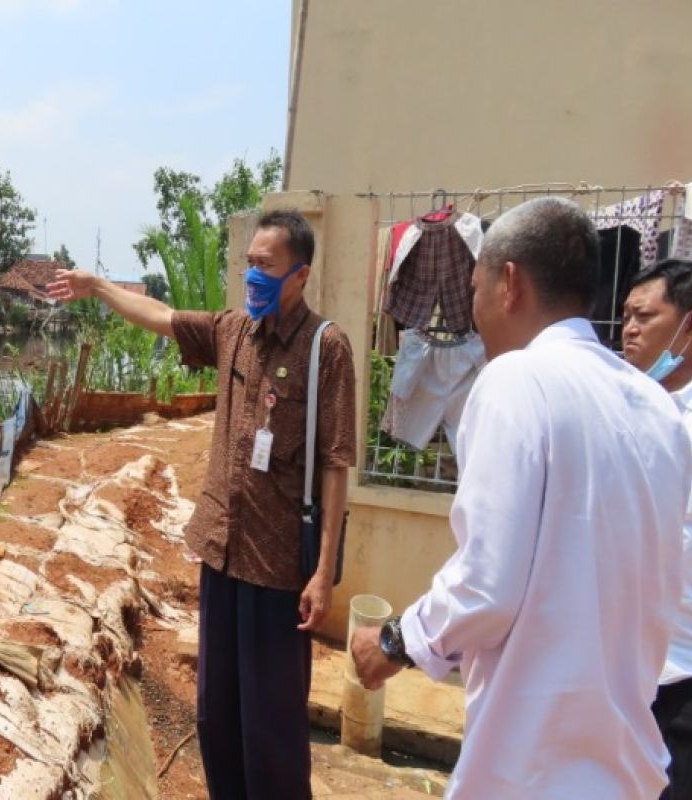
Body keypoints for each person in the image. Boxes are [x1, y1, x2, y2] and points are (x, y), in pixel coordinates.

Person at [351, 197, 692, 798]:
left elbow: (487, 584)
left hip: (533, 768)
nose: (471, 305)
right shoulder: (654, 409)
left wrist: (397, 641)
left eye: (473, 283)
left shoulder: (516, 379)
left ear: (508, 284)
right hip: (628, 768)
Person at [48, 210, 356, 799]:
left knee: (273, 727)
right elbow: (162, 318)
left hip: (278, 572)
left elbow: (337, 463)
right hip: (221, 555)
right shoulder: (234, 331)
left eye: (265, 266)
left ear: (300, 275)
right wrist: (99, 288)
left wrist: (322, 573)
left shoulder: (326, 349)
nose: (253, 277)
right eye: (249, 265)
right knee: (218, 719)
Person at [622, 258, 692, 800]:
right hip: (630, 662)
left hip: (682, 670)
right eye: (626, 315)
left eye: (645, 316)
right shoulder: (635, 409)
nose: (629, 329)